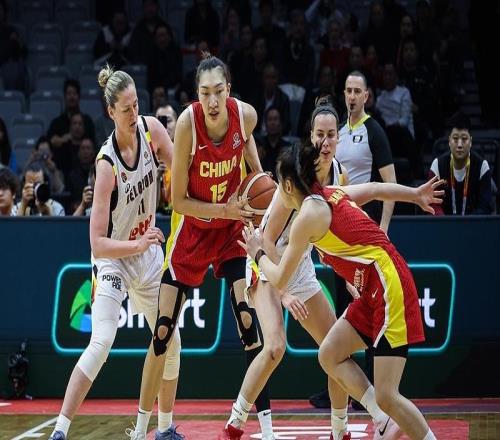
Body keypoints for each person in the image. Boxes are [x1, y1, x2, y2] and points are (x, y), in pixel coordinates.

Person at [240, 142, 443, 440]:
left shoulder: (307, 217)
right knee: (330, 354)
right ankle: (382, 419)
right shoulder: (329, 193)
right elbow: (374, 188)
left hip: (389, 285)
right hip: (372, 289)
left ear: (287, 186)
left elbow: (280, 276)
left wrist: (257, 253)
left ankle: (393, 419)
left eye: (278, 185)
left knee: (388, 395)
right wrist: (414, 194)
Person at [128, 53, 273, 440]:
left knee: (248, 322)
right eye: (205, 92)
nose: (212, 100)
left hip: (231, 232)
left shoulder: (245, 115)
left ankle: (266, 429)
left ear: (229, 91)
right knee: (162, 332)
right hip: (193, 230)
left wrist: (258, 182)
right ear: (197, 94)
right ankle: (140, 430)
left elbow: (249, 147)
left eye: (219, 92)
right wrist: (223, 208)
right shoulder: (187, 124)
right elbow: (178, 201)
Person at [48, 65, 183, 440]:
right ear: (110, 112)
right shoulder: (106, 165)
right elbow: (97, 242)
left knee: (171, 340)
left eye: (136, 104)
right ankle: (60, 430)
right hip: (113, 258)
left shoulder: (152, 130)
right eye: (126, 108)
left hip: (147, 253)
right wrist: (137, 244)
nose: (134, 112)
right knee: (102, 340)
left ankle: (165, 428)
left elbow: (181, 174)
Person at [222, 100, 363, 440]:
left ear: (339, 137)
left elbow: (339, 235)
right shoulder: (297, 174)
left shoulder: (339, 174)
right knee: (275, 347)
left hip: (299, 263)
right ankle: (234, 425)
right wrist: (283, 292)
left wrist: (352, 275)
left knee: (336, 349)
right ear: (310, 136)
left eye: (331, 135)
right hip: (265, 259)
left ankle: (340, 430)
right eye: (319, 135)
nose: (325, 142)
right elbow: (267, 239)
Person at [429, 113, 492, 215]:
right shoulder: (437, 165)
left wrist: (466, 223)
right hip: (444, 224)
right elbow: (433, 204)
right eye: (455, 138)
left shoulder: (482, 166)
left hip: (473, 224)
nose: (459, 145)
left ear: (470, 141)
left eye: (464, 139)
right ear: (449, 141)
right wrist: (444, 221)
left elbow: (485, 207)